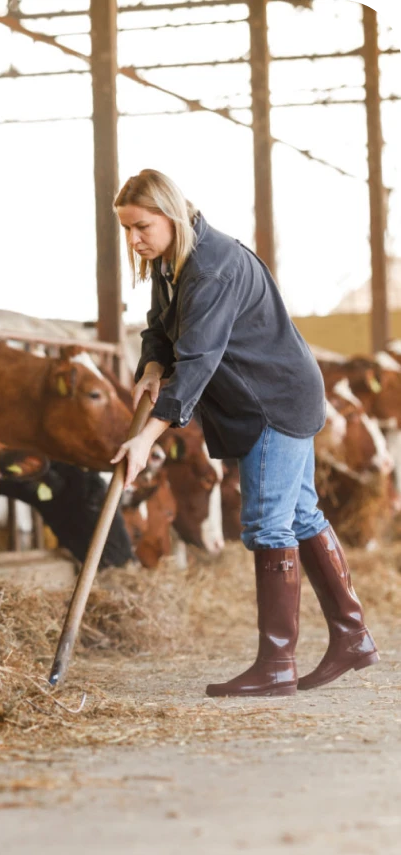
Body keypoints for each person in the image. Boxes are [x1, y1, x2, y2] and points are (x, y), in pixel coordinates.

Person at [110, 169, 378, 698]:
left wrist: (146, 439)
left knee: (267, 524)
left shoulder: (212, 267)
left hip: (271, 400)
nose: (134, 240)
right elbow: (160, 330)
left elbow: (199, 360)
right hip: (272, 393)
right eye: (126, 230)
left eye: (141, 226)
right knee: (300, 515)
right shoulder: (172, 264)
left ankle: (277, 663)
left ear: (171, 214)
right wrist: (148, 366)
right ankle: (352, 636)